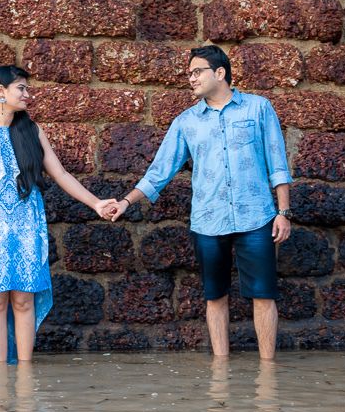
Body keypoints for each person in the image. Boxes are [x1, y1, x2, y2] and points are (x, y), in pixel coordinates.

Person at [101, 46, 293, 359]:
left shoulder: (258, 108)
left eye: (197, 72)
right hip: (208, 221)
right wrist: (126, 201)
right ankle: (221, 370)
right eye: (189, 73)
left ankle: (268, 372)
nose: (191, 79)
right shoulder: (186, 122)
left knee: (263, 295)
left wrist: (283, 212)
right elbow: (159, 172)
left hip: (257, 217)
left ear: (220, 73)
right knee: (215, 296)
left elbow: (277, 162)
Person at [0, 65, 115, 365]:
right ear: (1, 91)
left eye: (27, 89)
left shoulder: (32, 131)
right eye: (21, 88)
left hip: (26, 227)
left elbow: (60, 174)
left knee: (24, 299)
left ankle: (25, 374)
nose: (27, 94)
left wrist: (96, 203)